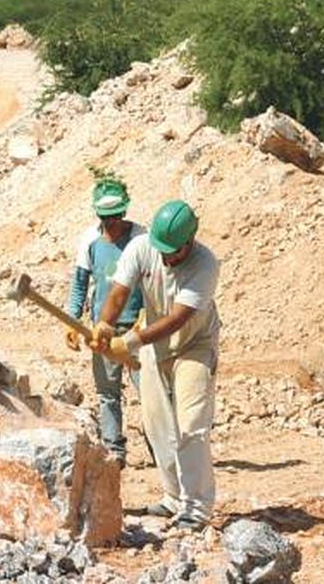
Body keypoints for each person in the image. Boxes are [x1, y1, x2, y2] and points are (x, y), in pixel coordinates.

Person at [91, 200, 220, 531]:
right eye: (161, 249)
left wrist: (130, 341)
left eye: (173, 252)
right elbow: (120, 292)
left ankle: (196, 507)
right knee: (157, 423)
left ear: (189, 242)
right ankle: (173, 497)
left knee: (190, 424)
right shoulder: (142, 247)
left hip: (194, 345)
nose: (165, 257)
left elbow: (179, 318)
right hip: (155, 347)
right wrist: (105, 324)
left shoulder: (204, 264)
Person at [64, 176, 148, 467]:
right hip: (102, 330)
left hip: (138, 330)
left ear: (123, 212)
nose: (110, 223)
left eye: (115, 216)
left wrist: (147, 322)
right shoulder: (89, 241)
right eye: (105, 217)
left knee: (149, 392)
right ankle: (115, 451)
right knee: (107, 394)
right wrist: (72, 320)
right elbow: (79, 284)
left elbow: (153, 284)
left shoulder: (141, 239)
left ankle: (160, 449)